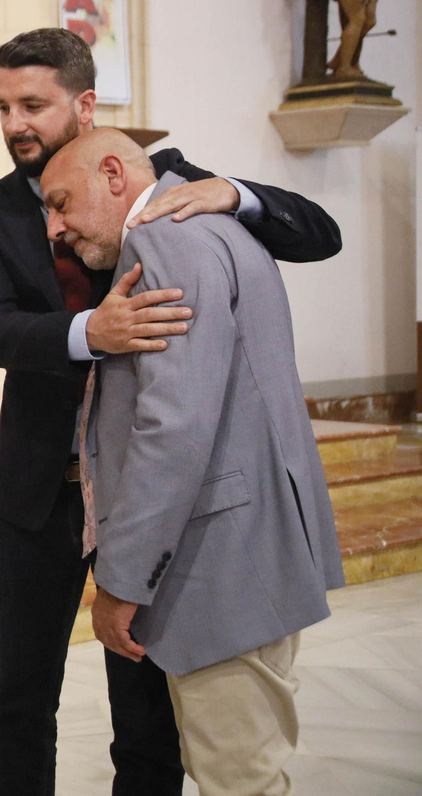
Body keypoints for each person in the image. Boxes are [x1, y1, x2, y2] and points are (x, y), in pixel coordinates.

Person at [0, 27, 342, 796]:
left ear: (85, 106)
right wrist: (84, 332)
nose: (14, 124)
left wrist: (240, 193)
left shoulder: (171, 192)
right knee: (23, 696)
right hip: (42, 486)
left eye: (32, 104)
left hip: (143, 490)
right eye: (2, 107)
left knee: (146, 705)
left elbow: (319, 235)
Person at [40, 128, 342, 796]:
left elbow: (173, 427)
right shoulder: (217, 223)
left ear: (113, 173)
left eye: (61, 202)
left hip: (221, 559)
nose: (55, 227)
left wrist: (120, 582)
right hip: (260, 541)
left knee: (240, 779)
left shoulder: (162, 238)